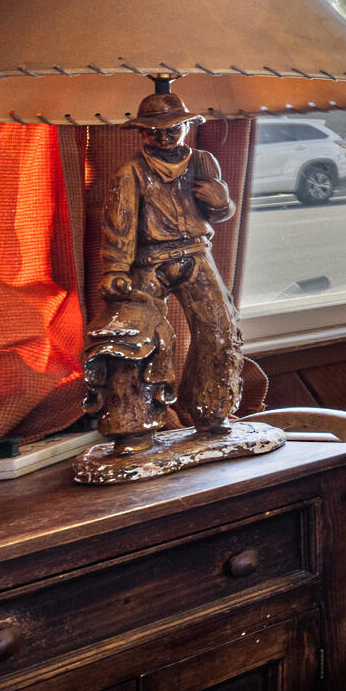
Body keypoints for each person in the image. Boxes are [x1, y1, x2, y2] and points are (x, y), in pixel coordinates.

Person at [86, 87, 242, 436]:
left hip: (196, 255)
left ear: (187, 125)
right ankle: (133, 423)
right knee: (133, 337)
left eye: (173, 129)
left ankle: (211, 411)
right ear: (142, 132)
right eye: (154, 131)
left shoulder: (203, 161)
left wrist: (222, 203)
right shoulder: (131, 172)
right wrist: (116, 269)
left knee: (220, 329)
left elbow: (217, 212)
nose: (164, 137)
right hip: (148, 262)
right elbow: (119, 224)